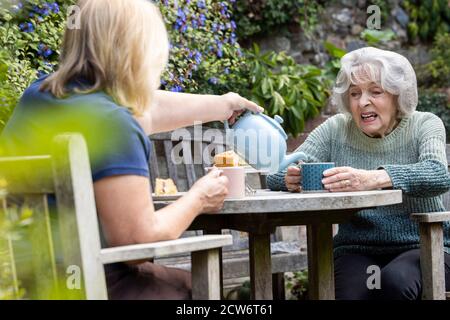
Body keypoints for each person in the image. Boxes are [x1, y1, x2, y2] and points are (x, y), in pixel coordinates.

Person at [0, 0, 263, 299]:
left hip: (20, 280)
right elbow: (137, 242)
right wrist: (200, 197)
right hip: (85, 284)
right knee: (191, 287)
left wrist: (224, 105)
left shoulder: (39, 97)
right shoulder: (112, 123)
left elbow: (148, 108)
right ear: (137, 49)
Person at [267, 46, 450, 300]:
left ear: (398, 95)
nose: (363, 102)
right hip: (357, 248)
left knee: (394, 283)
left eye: (375, 92)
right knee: (346, 294)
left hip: (424, 244)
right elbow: (277, 171)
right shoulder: (336, 129)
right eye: (354, 93)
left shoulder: (424, 124)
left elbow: (438, 174)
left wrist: (372, 179)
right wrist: (290, 178)